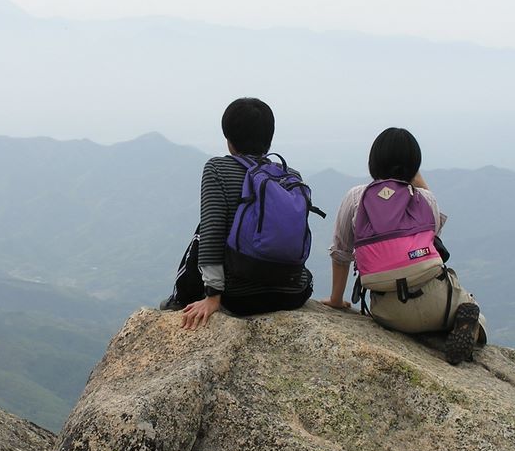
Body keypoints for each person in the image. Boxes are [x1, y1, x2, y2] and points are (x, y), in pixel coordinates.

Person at [323, 127, 486, 364]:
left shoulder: (357, 196)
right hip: (437, 303)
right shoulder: (425, 199)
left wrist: (336, 299)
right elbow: (432, 237)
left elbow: (341, 253)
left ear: (373, 162)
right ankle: (466, 325)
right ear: (414, 165)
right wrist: (412, 171)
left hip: (389, 310)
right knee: (472, 306)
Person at [161, 98, 313, 330]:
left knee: (202, 230)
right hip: (294, 293)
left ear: (229, 138)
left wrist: (213, 296)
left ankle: (178, 298)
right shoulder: (290, 175)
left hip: (241, 298)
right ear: (269, 138)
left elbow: (212, 232)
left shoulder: (217, 169)